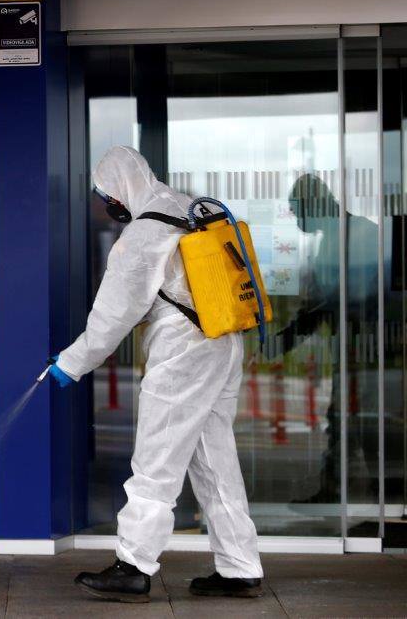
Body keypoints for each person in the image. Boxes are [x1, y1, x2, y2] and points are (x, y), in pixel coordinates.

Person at [50, 146, 263, 603]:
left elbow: (111, 317)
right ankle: (240, 565)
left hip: (184, 351)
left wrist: (70, 363)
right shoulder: (191, 207)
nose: (109, 204)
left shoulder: (145, 232)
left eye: (107, 194)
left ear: (120, 188)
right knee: (213, 458)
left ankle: (134, 564)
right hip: (224, 338)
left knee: (156, 457)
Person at [279, 173, 379, 504]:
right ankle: (335, 487)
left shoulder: (360, 233)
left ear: (313, 204)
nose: (294, 219)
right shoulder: (331, 238)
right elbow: (322, 301)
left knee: (366, 423)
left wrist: (290, 336)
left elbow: (341, 298)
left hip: (371, 348)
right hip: (350, 347)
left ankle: (389, 500)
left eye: (296, 210)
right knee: (342, 418)